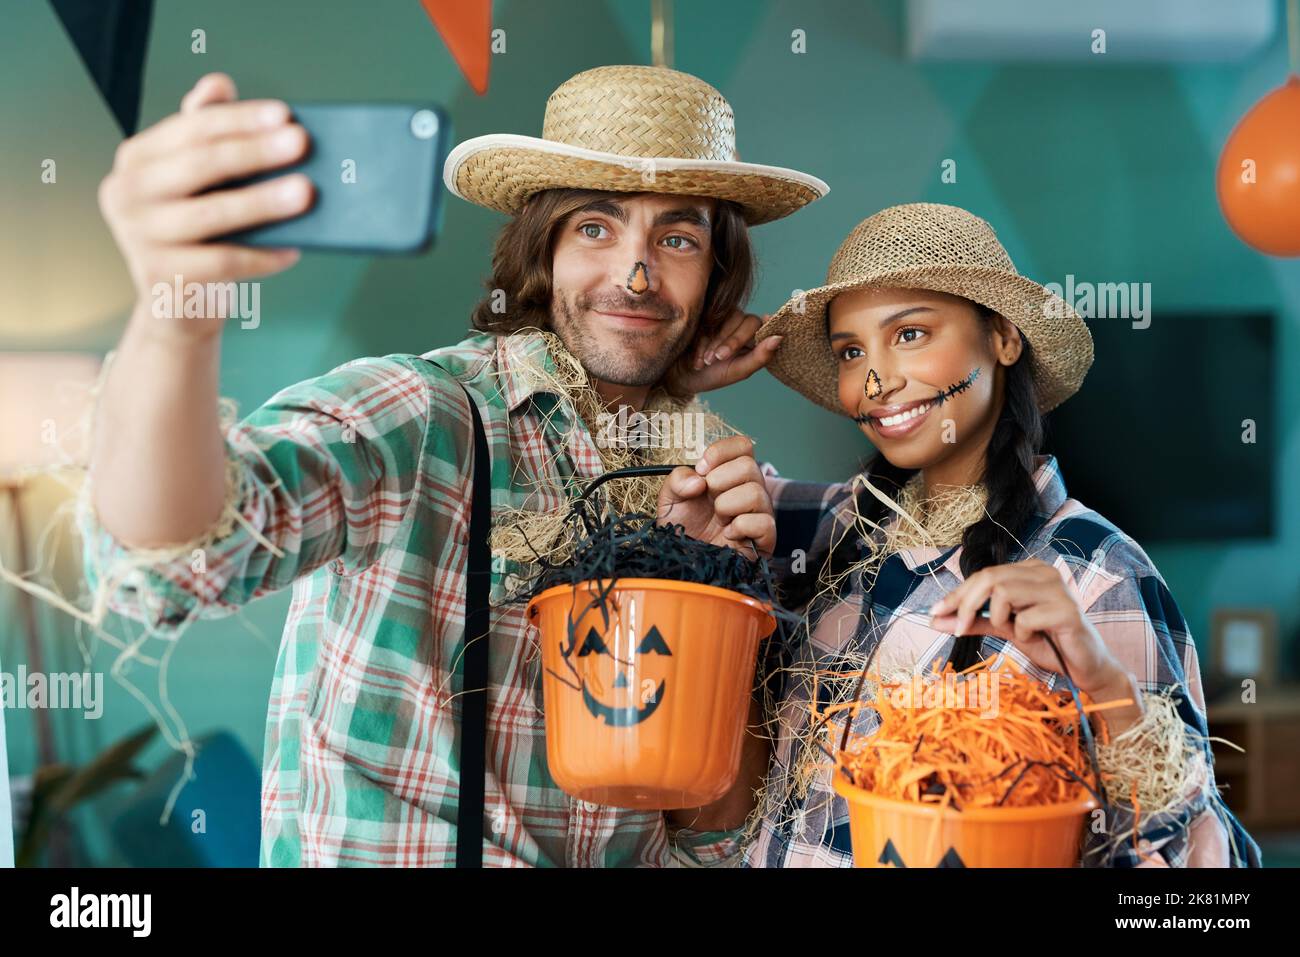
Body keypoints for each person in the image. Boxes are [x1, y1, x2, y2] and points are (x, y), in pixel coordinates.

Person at [82, 64, 829, 866]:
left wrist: (706, 590)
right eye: (595, 229)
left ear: (714, 275)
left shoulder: (705, 474)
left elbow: (711, 834)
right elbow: (177, 557)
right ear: (541, 249)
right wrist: (174, 314)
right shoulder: (422, 413)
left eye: (677, 239)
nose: (636, 273)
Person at [743, 202, 1262, 867]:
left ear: (1004, 339)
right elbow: (684, 507)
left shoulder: (1098, 574)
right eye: (851, 350)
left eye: (911, 334)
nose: (876, 380)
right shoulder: (839, 528)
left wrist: (1104, 682)